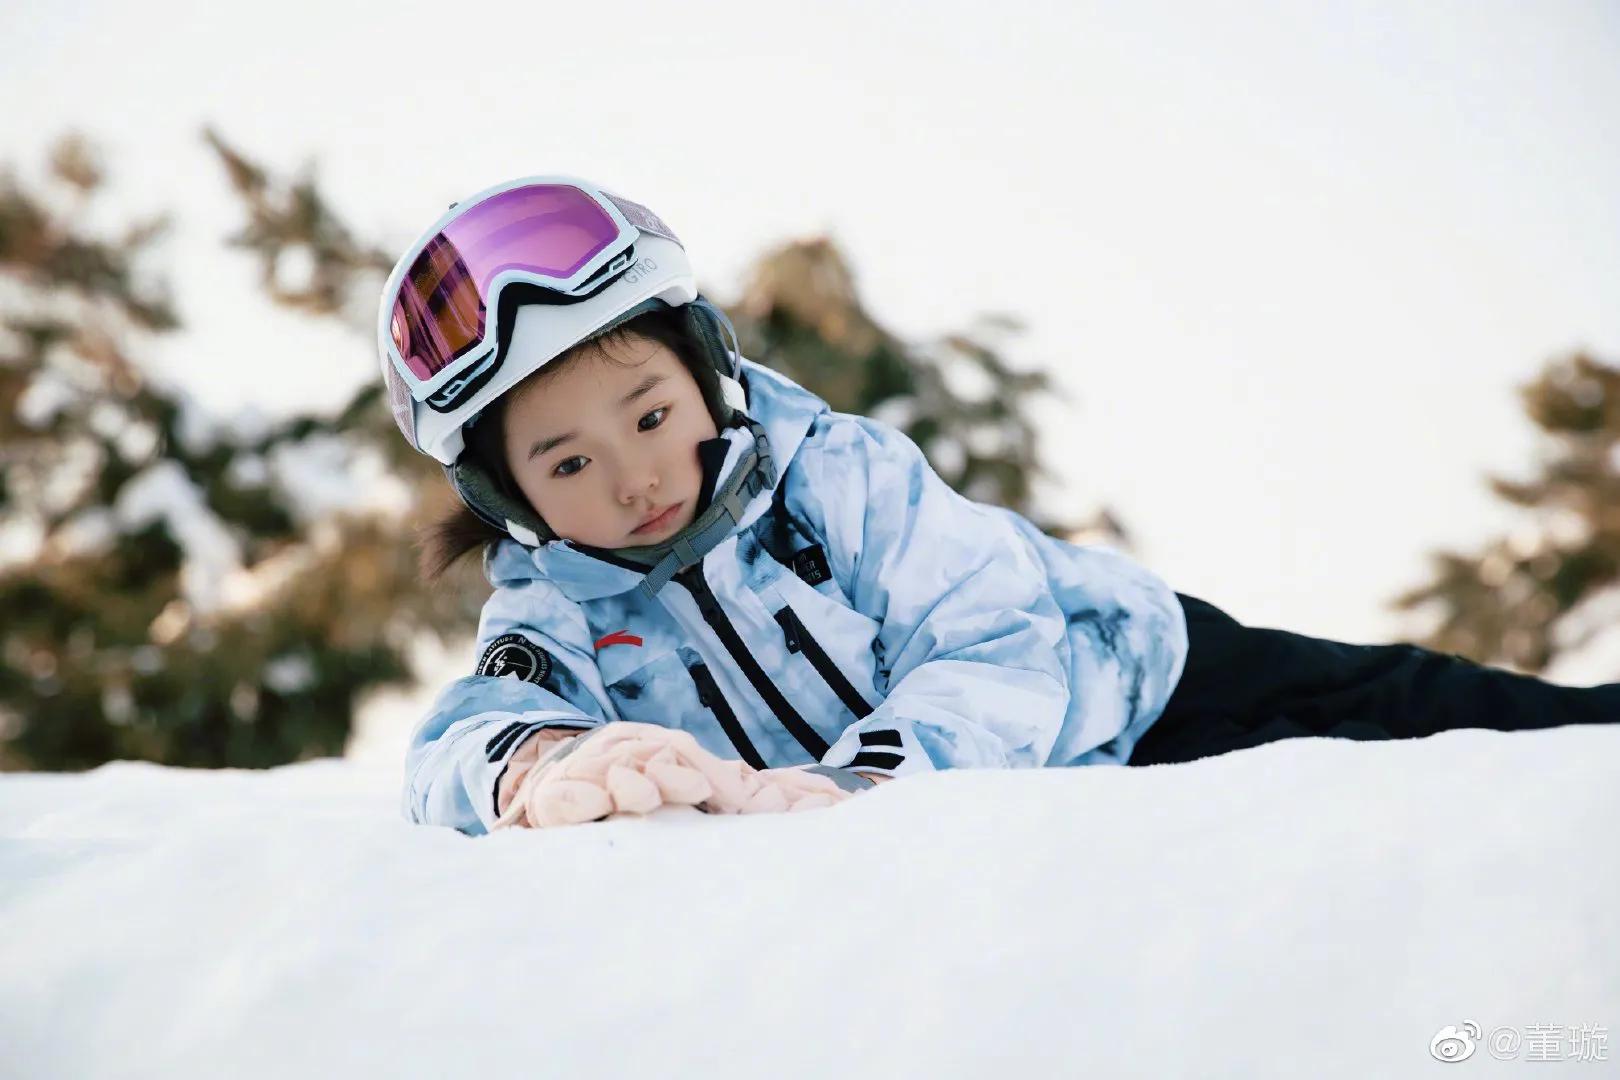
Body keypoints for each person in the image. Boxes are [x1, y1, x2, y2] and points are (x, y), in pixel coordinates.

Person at [380, 177, 1617, 836]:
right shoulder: (558, 609)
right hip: (992, 806)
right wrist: (542, 765)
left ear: (705, 375)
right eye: (568, 464)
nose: (634, 479)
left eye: (649, 417)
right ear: (507, 492)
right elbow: (461, 734)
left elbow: (989, 635)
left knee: (1429, 722)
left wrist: (871, 786)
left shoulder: (830, 475)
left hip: (1134, 684)